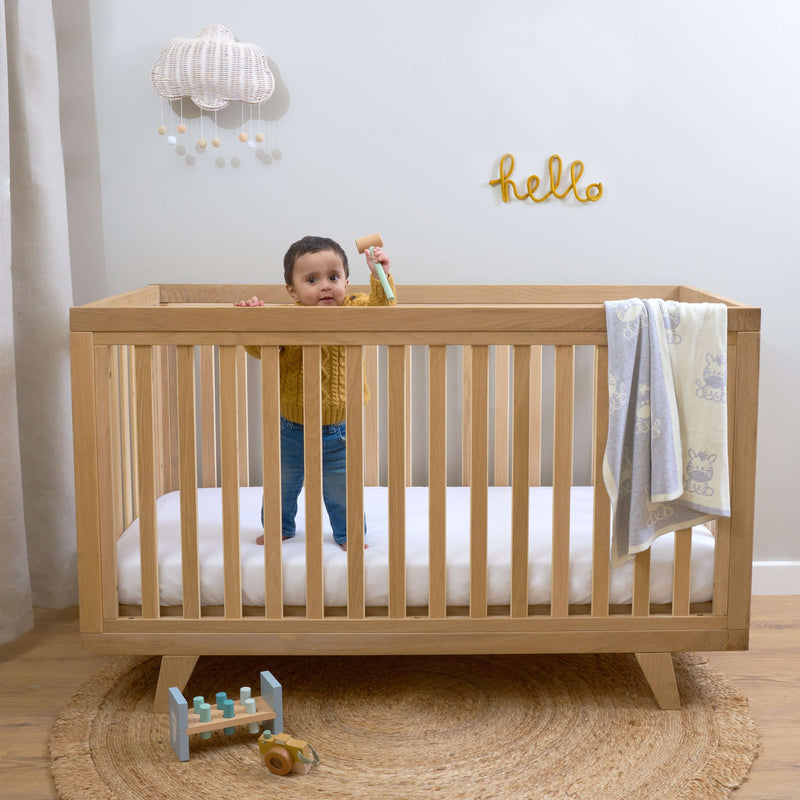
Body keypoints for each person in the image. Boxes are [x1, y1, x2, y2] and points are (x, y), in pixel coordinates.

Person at [236, 235, 396, 550]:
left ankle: (348, 535)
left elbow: (385, 310)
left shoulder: (355, 310)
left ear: (347, 283)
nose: (325, 286)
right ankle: (280, 528)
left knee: (342, 487)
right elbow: (258, 349)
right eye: (312, 280)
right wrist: (252, 322)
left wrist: (379, 273)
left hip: (339, 430)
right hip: (292, 427)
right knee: (281, 485)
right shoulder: (287, 319)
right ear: (292, 290)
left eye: (333, 277)